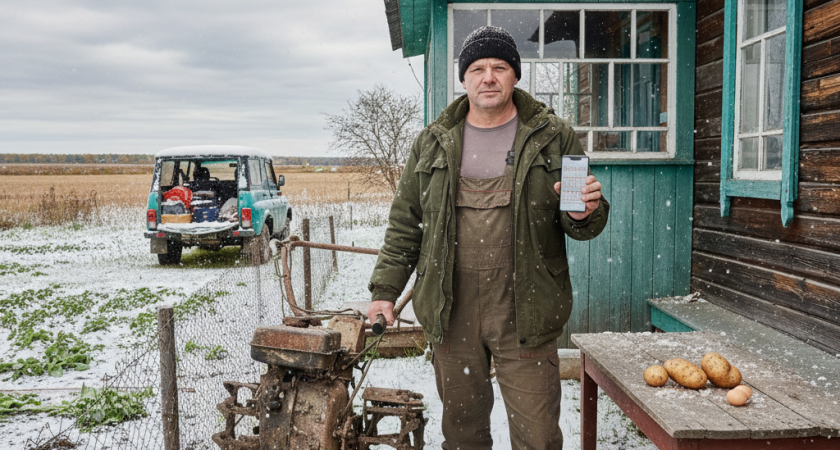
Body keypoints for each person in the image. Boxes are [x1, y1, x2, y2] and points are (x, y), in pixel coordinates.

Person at [367, 26, 609, 449]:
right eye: (477, 68)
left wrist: (585, 211)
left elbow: (580, 221)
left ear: (515, 75)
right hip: (451, 306)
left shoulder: (553, 136)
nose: (488, 77)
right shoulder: (432, 143)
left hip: (527, 310)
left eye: (499, 67)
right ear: (464, 79)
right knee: (463, 435)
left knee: (538, 437)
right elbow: (406, 222)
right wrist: (385, 290)